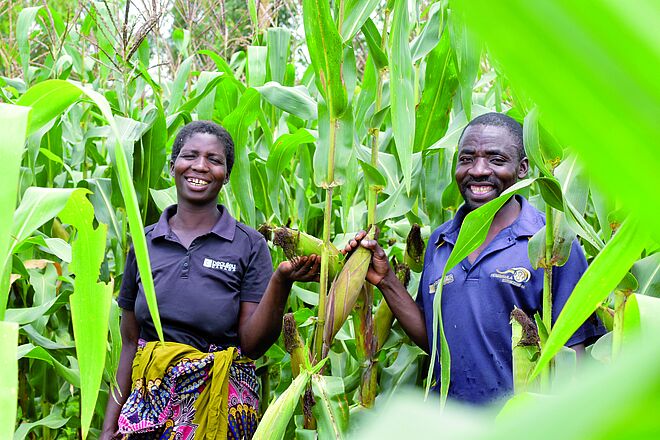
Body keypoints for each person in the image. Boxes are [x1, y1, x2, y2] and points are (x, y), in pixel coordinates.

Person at [345, 112, 605, 405]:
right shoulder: (441, 242)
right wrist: (386, 281)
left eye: (495, 160)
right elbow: (435, 340)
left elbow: (575, 357)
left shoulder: (551, 243)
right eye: (467, 159)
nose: (478, 170)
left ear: (522, 169)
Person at [101, 121, 319, 439]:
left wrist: (281, 281)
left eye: (214, 160)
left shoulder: (247, 244)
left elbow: (253, 345)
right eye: (190, 156)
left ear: (226, 174)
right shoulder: (144, 243)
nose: (200, 166)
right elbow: (130, 344)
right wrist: (109, 427)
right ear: (174, 165)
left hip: (222, 406)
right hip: (150, 408)